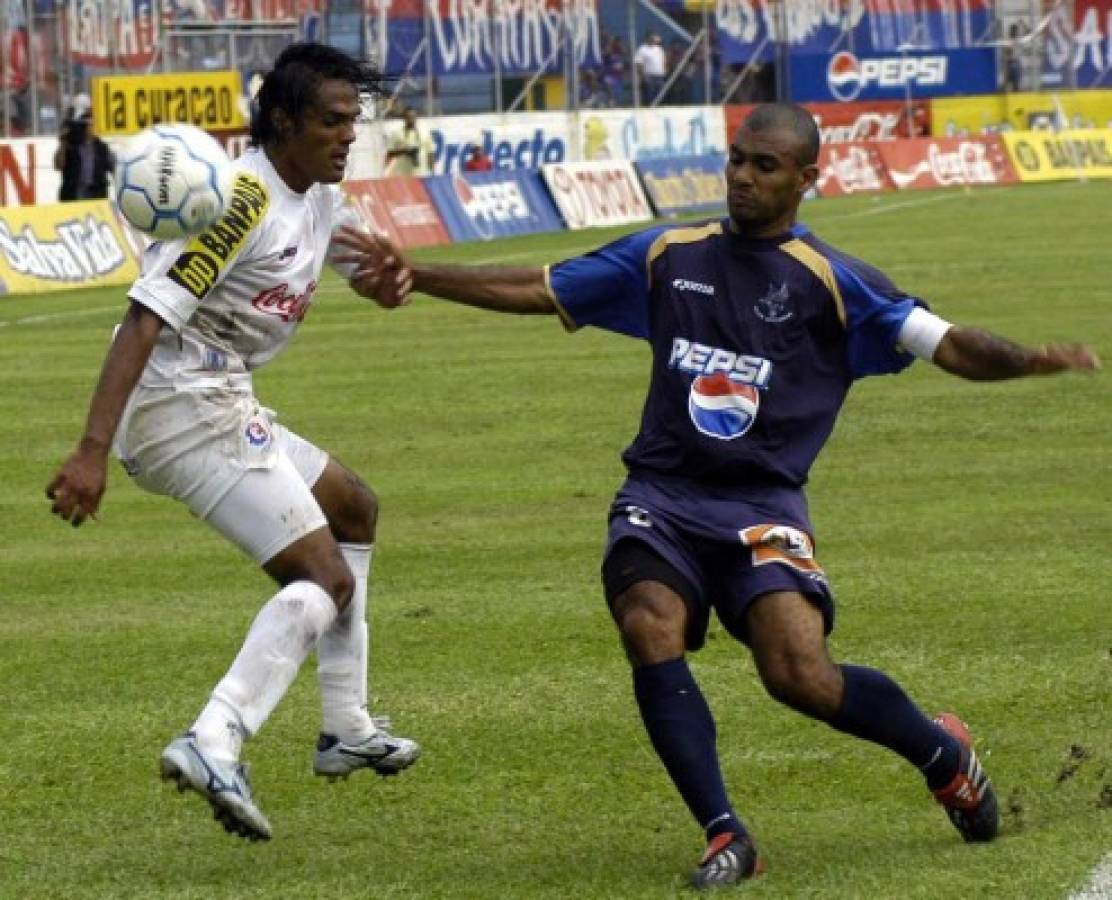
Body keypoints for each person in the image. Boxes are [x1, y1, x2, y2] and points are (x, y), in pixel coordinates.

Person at [332, 103, 1100, 888]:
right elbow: (543, 285)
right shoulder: (671, 252)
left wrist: (1032, 360)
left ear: (807, 178)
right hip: (660, 495)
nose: (742, 176)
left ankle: (942, 753)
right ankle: (725, 831)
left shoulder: (839, 284)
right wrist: (418, 273)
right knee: (648, 623)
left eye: (765, 166)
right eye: (737, 159)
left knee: (799, 674)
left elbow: (950, 345)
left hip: (764, 504)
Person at [45, 42, 420, 843]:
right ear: (283, 121)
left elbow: (369, 273)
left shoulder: (317, 194)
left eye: (354, 119)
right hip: (180, 403)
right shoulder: (238, 200)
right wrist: (90, 451)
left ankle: (345, 729)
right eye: (332, 120)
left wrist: (386, 282)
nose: (348, 135)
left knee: (354, 509)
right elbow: (146, 316)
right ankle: (215, 739)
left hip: (221, 392)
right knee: (321, 577)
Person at [53, 111, 115, 202]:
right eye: (89, 125)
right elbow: (58, 165)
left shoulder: (102, 147)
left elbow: (113, 167)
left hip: (97, 192)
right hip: (74, 192)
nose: (92, 128)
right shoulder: (71, 146)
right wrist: (63, 143)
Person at [384, 105, 434, 176]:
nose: (411, 119)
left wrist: (433, 173)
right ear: (404, 119)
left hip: (421, 174)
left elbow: (430, 153)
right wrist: (405, 151)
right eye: (408, 117)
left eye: (413, 117)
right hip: (402, 175)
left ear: (416, 118)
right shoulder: (397, 133)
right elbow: (390, 154)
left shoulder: (425, 133)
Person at [634, 33, 666, 105]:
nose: (654, 40)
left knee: (659, 93)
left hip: (659, 75)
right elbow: (639, 63)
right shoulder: (642, 49)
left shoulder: (659, 49)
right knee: (649, 94)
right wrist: (642, 75)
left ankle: (657, 107)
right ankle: (648, 107)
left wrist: (664, 71)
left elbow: (663, 60)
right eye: (652, 38)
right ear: (648, 38)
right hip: (648, 75)